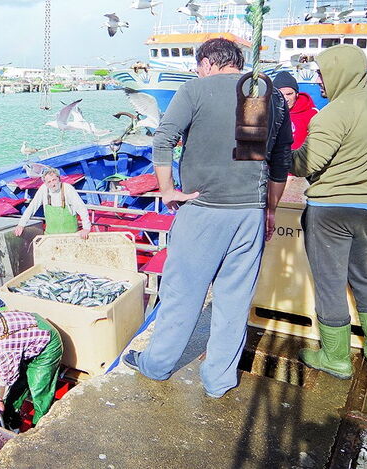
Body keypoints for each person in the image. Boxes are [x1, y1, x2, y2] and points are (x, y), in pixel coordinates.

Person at [123, 37, 292, 398]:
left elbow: (163, 140)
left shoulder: (195, 90)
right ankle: (219, 380)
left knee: (182, 293)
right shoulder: (272, 94)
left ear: (208, 63)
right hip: (250, 214)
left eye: (198, 65)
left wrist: (168, 190)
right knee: (234, 300)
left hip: (203, 211)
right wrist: (271, 209)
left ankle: (156, 365)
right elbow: (281, 160)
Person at [291, 45, 367, 379]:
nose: (318, 80)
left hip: (331, 210)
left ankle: (335, 357)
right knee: (364, 276)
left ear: (339, 72)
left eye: (322, 73)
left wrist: (273, 154)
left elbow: (307, 164)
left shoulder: (333, 113)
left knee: (330, 283)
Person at [0, 310, 63, 428]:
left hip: (46, 342)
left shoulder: (1, 347)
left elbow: (6, 378)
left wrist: (0, 401)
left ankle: (39, 428)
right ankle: (10, 417)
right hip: (26, 335)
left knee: (40, 390)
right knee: (19, 382)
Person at [13, 167, 91, 238]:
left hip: (70, 235)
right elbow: (32, 207)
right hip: (51, 235)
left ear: (59, 179)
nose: (52, 184)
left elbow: (81, 208)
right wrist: (21, 224)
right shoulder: (43, 189)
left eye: (54, 180)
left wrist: (86, 228)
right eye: (49, 182)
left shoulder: (68, 189)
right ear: (45, 183)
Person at [272, 70, 319, 150]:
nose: (285, 99)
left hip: (300, 159)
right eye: (281, 94)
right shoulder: (268, 113)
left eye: (289, 94)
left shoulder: (312, 114)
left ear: (297, 94)